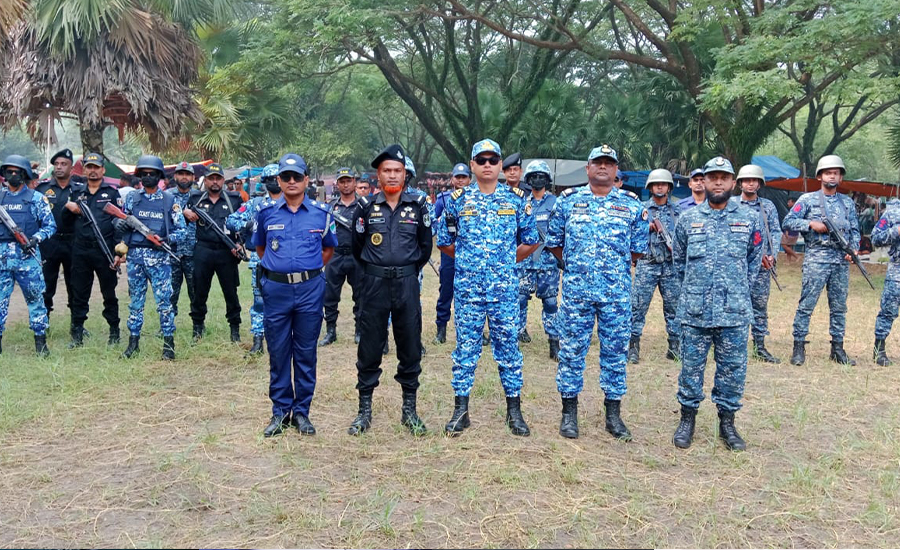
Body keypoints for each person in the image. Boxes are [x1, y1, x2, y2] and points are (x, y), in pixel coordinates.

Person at [436, 139, 539, 437]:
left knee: (509, 350)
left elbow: (531, 239)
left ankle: (514, 412)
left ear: (500, 165)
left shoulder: (516, 199)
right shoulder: (457, 200)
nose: (487, 165)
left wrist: (506, 260)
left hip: (504, 291)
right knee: (465, 350)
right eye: (481, 160)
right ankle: (460, 411)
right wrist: (469, 260)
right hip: (468, 291)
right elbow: (443, 240)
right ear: (471, 165)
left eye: (493, 160)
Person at [546, 144, 648, 440]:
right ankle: (569, 414)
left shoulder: (631, 205)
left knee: (615, 354)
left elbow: (637, 250)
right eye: (597, 162)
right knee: (571, 352)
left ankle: (613, 416)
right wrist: (574, 266)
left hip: (615, 295)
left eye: (609, 163)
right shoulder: (568, 201)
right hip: (577, 293)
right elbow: (554, 242)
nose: (603, 167)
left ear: (616, 170)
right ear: (587, 168)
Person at [671, 156, 762, 451]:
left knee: (733, 371)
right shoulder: (687, 219)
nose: (718, 182)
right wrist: (698, 289)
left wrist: (735, 289)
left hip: (734, 310)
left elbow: (754, 260)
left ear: (733, 183)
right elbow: (679, 262)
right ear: (704, 182)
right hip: (695, 309)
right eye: (713, 177)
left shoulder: (748, 219)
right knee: (691, 369)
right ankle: (687, 420)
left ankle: (728, 424)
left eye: (724, 177)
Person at [349, 144, 432, 436]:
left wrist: (404, 269)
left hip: (407, 285)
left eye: (398, 171)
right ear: (378, 174)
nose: (393, 176)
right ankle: (364, 411)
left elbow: (425, 248)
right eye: (387, 171)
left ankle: (409, 411)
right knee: (370, 345)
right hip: (374, 285)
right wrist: (379, 269)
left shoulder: (419, 206)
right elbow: (357, 248)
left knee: (410, 345)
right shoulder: (365, 207)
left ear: (405, 175)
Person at [252, 153, 336, 437]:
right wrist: (283, 273)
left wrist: (304, 272)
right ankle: (280, 411)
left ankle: (302, 412)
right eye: (285, 177)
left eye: (296, 176)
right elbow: (261, 249)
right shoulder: (265, 214)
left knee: (305, 352)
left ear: (306, 180)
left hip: (310, 290)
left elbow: (328, 250)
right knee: (277, 351)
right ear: (278, 180)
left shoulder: (322, 214)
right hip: (276, 290)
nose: (291, 181)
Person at [782, 154, 860, 366]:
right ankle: (798, 347)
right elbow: (788, 221)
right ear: (820, 176)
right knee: (807, 304)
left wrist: (853, 249)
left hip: (840, 262)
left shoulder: (847, 203)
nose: (832, 176)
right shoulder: (808, 200)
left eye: (835, 173)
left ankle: (837, 348)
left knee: (839, 307)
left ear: (840, 178)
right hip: (817, 258)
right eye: (828, 173)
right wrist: (810, 224)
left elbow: (855, 230)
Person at [117, 155, 186, 360]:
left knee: (164, 302)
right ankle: (133, 343)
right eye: (144, 174)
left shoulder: (169, 200)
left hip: (160, 258)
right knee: (135, 303)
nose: (148, 177)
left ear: (159, 176)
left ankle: (168, 344)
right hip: (135, 258)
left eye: (152, 174)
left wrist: (166, 238)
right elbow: (123, 220)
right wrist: (120, 227)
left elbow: (182, 230)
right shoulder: (132, 198)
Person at [0, 155, 56, 355]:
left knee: (35, 301)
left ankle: (40, 344)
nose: (13, 175)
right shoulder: (0, 198)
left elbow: (50, 226)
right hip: (2, 259)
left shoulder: (36, 198)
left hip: (28, 258)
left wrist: (35, 239)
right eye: (9, 172)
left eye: (17, 172)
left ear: (24, 175)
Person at [183, 163, 244, 343]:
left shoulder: (234, 199)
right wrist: (186, 213)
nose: (215, 182)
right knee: (199, 291)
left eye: (218, 178)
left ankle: (235, 329)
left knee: (230, 292)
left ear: (224, 180)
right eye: (211, 178)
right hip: (203, 250)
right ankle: (197, 327)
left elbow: (243, 225)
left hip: (227, 251)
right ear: (206, 180)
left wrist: (240, 244)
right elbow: (179, 215)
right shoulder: (195, 198)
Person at [65, 152, 121, 348]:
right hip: (81, 251)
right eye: (89, 167)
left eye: (96, 167)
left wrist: (118, 252)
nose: (93, 171)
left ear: (103, 170)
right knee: (79, 293)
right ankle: (77, 333)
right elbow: (66, 223)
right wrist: (68, 208)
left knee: (109, 292)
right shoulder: (77, 193)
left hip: (104, 250)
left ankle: (114, 331)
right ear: (85, 170)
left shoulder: (112, 193)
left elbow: (119, 224)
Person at [226, 163, 281, 354]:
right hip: (261, 258)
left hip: (285, 260)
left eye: (277, 178)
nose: (275, 183)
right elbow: (231, 221)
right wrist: (250, 224)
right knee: (260, 301)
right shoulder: (256, 205)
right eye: (270, 180)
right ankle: (258, 340)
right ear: (265, 182)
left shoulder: (292, 203)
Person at [628, 168, 680, 365]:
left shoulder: (677, 211)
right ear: (650, 187)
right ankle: (633, 346)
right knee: (637, 307)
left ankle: (674, 346)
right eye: (656, 184)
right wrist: (647, 227)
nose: (660, 186)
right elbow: (630, 233)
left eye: (663, 184)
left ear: (668, 187)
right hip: (647, 264)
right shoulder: (640, 209)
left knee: (674, 308)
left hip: (670, 266)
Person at [734, 164, 782, 364]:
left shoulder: (767, 206)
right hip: (736, 266)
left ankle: (759, 346)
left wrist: (772, 255)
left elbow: (776, 231)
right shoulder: (732, 204)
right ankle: (734, 346)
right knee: (735, 306)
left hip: (761, 267)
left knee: (760, 306)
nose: (750, 183)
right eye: (747, 180)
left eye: (754, 180)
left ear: (760, 184)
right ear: (740, 183)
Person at [517, 160, 561, 360]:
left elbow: (562, 231)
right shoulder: (521, 203)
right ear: (527, 180)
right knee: (519, 300)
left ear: (547, 179)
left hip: (548, 263)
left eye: (541, 176)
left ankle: (554, 342)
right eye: (533, 176)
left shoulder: (556, 203)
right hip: (525, 263)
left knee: (551, 302)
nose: (537, 179)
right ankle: (516, 338)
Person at [35, 148, 82, 323]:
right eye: (56, 164)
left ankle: (76, 325)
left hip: (73, 241)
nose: (59, 167)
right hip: (49, 243)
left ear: (72, 168)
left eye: (64, 164)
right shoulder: (42, 189)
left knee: (75, 284)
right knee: (46, 284)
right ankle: (43, 322)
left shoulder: (80, 189)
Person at [319, 167, 361, 346]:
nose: (345, 184)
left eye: (348, 180)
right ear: (337, 184)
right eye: (342, 181)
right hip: (335, 256)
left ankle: (359, 331)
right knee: (330, 295)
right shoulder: (330, 207)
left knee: (361, 296)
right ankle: (330, 331)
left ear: (354, 182)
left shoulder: (363, 205)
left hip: (357, 256)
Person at [432, 162, 470, 344]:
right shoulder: (443, 199)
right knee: (446, 290)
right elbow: (432, 223)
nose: (461, 180)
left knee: (472, 293)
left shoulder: (476, 199)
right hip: (450, 252)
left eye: (464, 177)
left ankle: (474, 331)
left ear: (470, 179)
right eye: (458, 177)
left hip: (472, 254)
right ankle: (441, 328)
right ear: (452, 179)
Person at [166, 161, 197, 320]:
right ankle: (168, 324)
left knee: (196, 291)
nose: (184, 177)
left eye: (187, 174)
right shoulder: (166, 196)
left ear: (193, 177)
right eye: (181, 174)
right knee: (170, 291)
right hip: (172, 251)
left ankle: (198, 324)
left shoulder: (199, 196)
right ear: (175, 176)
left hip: (194, 251)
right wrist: (181, 212)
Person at [871, 199, 900, 366]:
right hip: (897, 271)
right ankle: (879, 350)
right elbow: (875, 238)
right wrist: (897, 230)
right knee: (888, 311)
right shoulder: (893, 213)